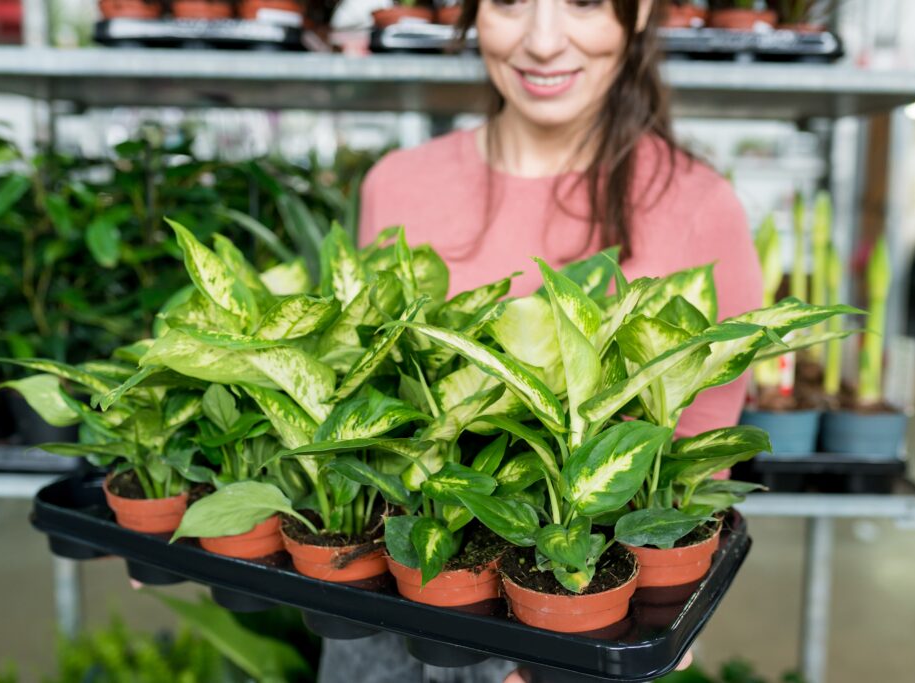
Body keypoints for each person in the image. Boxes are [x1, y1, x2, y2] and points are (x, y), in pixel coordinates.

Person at [320, 0, 762, 681]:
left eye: (582, 2)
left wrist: (638, 630)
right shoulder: (396, 186)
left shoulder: (698, 207)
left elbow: (694, 468)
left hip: (574, 627)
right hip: (390, 613)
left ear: (639, 12)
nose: (544, 40)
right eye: (509, 2)